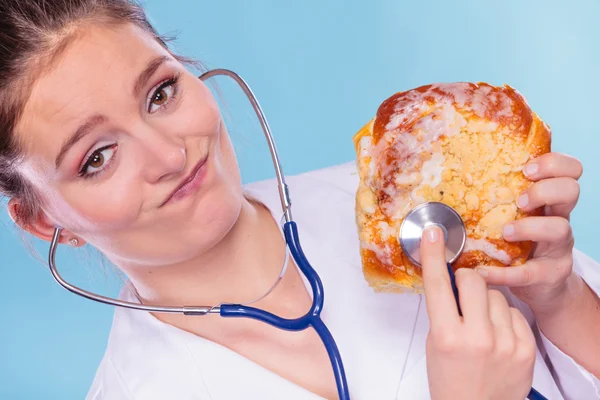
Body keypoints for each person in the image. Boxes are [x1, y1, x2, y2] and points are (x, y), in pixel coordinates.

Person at [1, 1, 599, 399]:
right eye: (97, 158)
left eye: (160, 93)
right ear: (42, 217)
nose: (169, 156)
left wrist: (561, 301)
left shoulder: (409, 207)